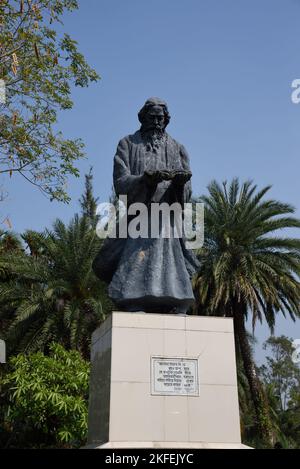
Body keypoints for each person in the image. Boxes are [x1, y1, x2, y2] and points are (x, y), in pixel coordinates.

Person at [93, 97, 199, 314]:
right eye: (152, 118)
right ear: (142, 118)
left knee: (170, 258)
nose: (157, 122)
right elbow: (120, 181)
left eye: (161, 118)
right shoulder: (128, 144)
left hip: (168, 217)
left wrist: (179, 184)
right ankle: (133, 300)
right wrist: (145, 180)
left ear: (166, 120)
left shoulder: (177, 148)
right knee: (136, 256)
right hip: (140, 215)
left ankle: (176, 300)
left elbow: (187, 191)